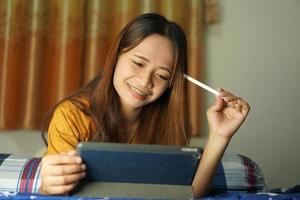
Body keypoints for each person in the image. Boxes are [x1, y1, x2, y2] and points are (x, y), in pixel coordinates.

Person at [39, 13, 250, 198]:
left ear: (170, 84)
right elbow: (56, 193)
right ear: (117, 55)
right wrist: (47, 188)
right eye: (138, 63)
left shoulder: (173, 124)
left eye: (161, 75)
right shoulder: (71, 115)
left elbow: (189, 194)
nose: (145, 81)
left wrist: (220, 136)